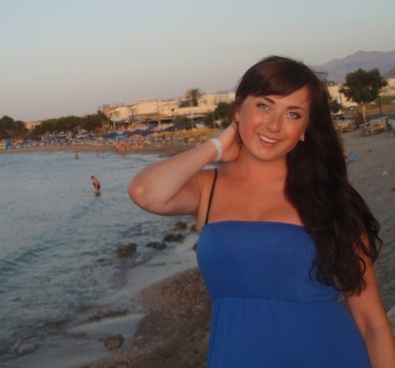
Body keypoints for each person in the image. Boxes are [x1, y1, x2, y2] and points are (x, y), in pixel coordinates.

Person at [128, 56, 394, 367]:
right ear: (238, 109)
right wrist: (215, 147)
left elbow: (372, 323)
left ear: (305, 129)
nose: (274, 125)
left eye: (293, 114)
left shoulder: (330, 199)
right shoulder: (206, 188)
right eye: (264, 106)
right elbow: (144, 192)